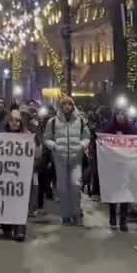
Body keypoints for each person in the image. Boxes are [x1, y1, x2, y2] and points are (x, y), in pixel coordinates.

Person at [44, 95, 88, 226]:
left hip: (76, 159)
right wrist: (54, 146)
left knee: (75, 186)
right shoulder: (52, 122)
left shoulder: (80, 121)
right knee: (62, 188)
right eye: (65, 104)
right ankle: (65, 215)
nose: (67, 107)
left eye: (69, 104)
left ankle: (76, 213)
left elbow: (86, 137)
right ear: (61, 106)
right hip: (60, 159)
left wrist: (81, 145)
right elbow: (47, 138)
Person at [1, 110, 31, 241]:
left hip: (21, 175)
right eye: (12, 120)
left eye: (18, 120)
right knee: (6, 201)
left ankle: (20, 229)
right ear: (8, 121)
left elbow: (37, 153)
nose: (15, 122)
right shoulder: (1, 135)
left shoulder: (27, 136)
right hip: (4, 175)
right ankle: (6, 225)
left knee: (20, 202)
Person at [103, 108, 135, 231]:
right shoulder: (109, 129)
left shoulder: (130, 130)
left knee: (125, 193)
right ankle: (112, 215)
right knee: (113, 192)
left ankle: (123, 221)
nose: (120, 116)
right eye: (118, 114)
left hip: (126, 165)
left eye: (123, 114)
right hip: (112, 165)